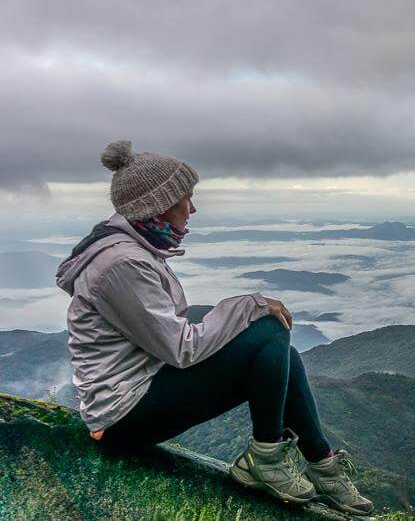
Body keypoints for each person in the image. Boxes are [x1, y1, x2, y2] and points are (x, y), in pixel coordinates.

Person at [56, 140, 373, 515]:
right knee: (270, 329)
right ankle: (265, 459)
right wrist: (248, 306)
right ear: (157, 204)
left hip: (141, 394)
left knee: (281, 352)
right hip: (123, 416)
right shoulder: (121, 264)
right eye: (185, 199)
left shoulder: (131, 251)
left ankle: (323, 467)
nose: (192, 208)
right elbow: (181, 348)